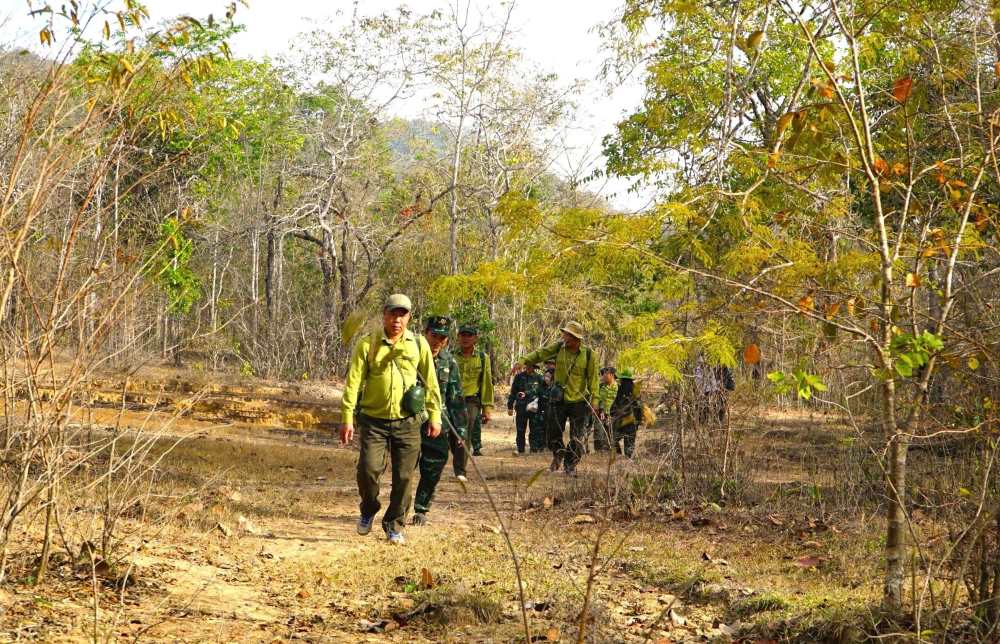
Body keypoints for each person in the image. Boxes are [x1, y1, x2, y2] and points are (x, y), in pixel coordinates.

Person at [340, 294, 442, 545]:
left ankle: (394, 524)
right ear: (384, 314)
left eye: (402, 314)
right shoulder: (368, 344)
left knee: (404, 477)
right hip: (374, 421)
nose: (397, 319)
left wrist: (435, 416)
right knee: (368, 470)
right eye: (393, 313)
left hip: (408, 422)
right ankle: (368, 508)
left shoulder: (418, 345)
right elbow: (353, 383)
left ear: (409, 317)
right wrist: (347, 417)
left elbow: (431, 383)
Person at [513, 321, 598, 476]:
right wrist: (523, 361)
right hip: (559, 398)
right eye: (564, 334)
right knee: (552, 433)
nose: (564, 337)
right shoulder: (559, 348)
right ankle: (558, 454)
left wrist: (595, 401)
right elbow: (541, 353)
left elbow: (593, 379)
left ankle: (570, 465)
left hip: (579, 400)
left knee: (577, 436)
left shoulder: (588, 355)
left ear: (576, 338)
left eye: (568, 335)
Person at [413, 316, 467, 526]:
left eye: (442, 338)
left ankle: (421, 508)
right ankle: (399, 506)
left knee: (434, 464)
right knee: (406, 467)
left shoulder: (449, 362)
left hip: (437, 422)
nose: (437, 341)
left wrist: (460, 431)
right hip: (411, 420)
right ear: (425, 333)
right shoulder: (411, 356)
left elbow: (456, 398)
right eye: (434, 336)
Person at [455, 324, 494, 458]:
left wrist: (487, 408)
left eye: (469, 336)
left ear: (475, 338)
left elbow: (487, 384)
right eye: (463, 335)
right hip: (453, 400)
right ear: (458, 337)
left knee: (467, 430)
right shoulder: (450, 357)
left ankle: (461, 468)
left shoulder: (483, 358)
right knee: (452, 434)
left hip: (472, 401)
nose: (466, 338)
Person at [507, 363, 545, 454]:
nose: (528, 368)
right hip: (521, 407)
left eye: (530, 366)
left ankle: (534, 448)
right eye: (527, 366)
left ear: (534, 367)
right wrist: (510, 406)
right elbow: (513, 392)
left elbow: (542, 391)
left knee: (535, 428)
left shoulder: (539, 378)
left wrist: (543, 407)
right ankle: (521, 448)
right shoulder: (519, 377)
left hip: (534, 408)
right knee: (520, 429)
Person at [610, 369, 642, 458]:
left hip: (622, 422)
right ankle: (627, 460)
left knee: (614, 440)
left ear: (623, 380)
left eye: (621, 379)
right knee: (629, 443)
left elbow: (614, 405)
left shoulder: (622, 390)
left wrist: (612, 413)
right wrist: (638, 421)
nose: (620, 381)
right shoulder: (635, 392)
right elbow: (639, 408)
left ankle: (620, 457)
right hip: (630, 422)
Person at [593, 367, 618, 452]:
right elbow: (597, 398)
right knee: (598, 431)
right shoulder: (601, 386)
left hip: (612, 414)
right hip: (600, 412)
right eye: (603, 375)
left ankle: (609, 450)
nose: (603, 377)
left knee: (610, 433)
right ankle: (598, 450)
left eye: (605, 375)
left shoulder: (618, 387)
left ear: (611, 375)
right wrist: (600, 409)